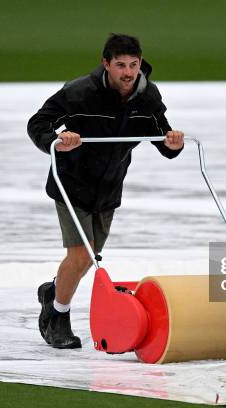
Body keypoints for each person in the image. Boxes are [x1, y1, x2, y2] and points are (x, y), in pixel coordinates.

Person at [27, 33, 184, 349]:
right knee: (81, 254)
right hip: (71, 184)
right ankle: (57, 317)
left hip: (109, 189)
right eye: (121, 65)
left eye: (133, 64)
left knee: (88, 258)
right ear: (106, 64)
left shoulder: (147, 96)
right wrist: (59, 140)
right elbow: (37, 124)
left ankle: (53, 291)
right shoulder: (79, 93)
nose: (128, 72)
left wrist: (173, 143)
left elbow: (162, 137)